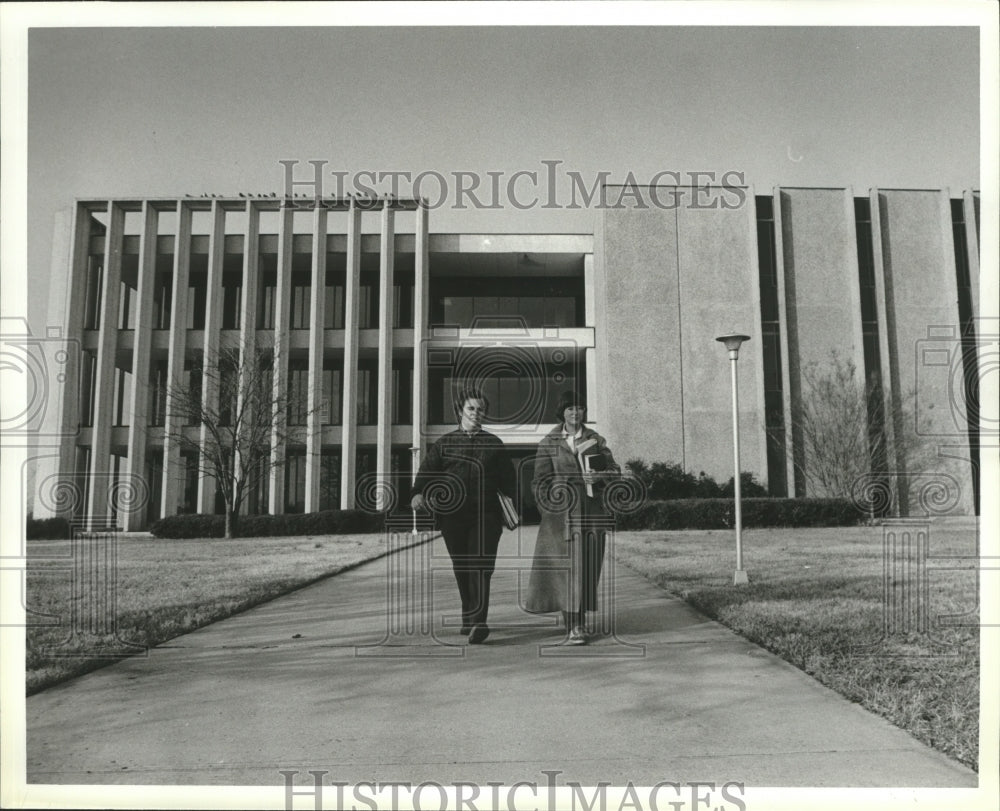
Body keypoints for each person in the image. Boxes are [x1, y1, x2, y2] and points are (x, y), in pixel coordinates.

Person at [411, 387, 516, 644]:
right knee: (462, 566)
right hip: (453, 517)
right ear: (460, 411)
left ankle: (479, 621)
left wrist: (510, 505)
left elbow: (510, 482)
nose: (476, 413)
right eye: (471, 408)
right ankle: (469, 616)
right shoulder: (445, 443)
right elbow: (426, 473)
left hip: (486, 516)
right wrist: (417, 493)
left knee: (481, 567)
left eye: (481, 409)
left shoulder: (494, 444)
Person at [525, 391, 620, 645]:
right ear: (562, 413)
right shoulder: (549, 442)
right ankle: (574, 626)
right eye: (569, 409)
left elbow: (614, 471)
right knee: (566, 571)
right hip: (561, 518)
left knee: (586, 568)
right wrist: (549, 510)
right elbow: (539, 482)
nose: (575, 413)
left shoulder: (596, 440)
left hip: (590, 513)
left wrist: (599, 477)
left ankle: (579, 622)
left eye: (579, 408)